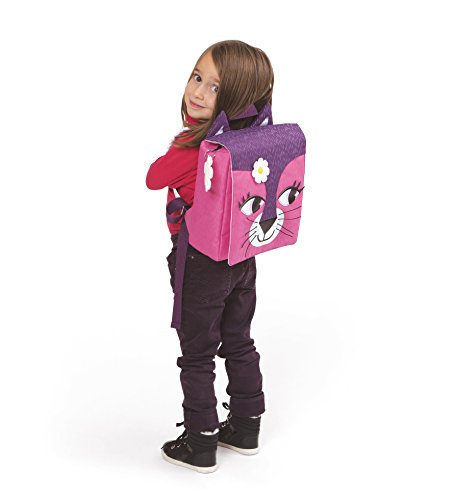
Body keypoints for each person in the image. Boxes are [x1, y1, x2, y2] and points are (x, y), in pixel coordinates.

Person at [146, 40, 274, 473]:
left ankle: (200, 441)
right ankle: (246, 426)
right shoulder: (249, 143)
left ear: (235, 98)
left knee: (197, 352)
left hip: (200, 262)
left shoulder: (194, 151)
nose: (198, 92)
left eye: (214, 87)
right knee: (238, 339)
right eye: (197, 77)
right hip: (242, 258)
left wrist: (183, 140)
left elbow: (153, 177)